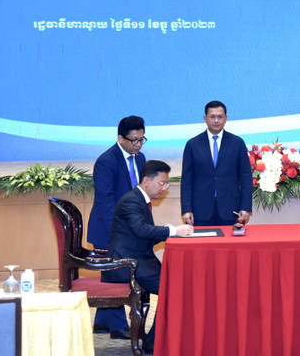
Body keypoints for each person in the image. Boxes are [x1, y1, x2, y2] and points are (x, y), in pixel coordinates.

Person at [104, 160, 193, 354]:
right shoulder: (131, 200)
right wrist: (172, 230)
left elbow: (143, 234)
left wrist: (168, 232)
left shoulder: (139, 199)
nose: (164, 188)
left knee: (177, 283)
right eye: (162, 183)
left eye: (166, 184)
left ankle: (157, 338)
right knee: (174, 288)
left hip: (139, 260)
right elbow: (140, 230)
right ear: (146, 181)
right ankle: (154, 342)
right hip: (125, 264)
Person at [86, 115, 146, 339]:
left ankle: (102, 322)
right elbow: (105, 201)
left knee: (116, 272)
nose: (138, 145)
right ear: (120, 138)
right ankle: (118, 327)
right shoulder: (106, 161)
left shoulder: (140, 159)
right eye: (134, 140)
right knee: (118, 276)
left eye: (142, 139)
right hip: (108, 229)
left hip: (129, 227)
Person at [181, 100, 253, 226]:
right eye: (212, 117)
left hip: (231, 210)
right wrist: (187, 209)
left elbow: (246, 177)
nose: (216, 120)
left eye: (220, 117)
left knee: (229, 246)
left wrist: (246, 207)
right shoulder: (192, 144)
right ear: (205, 118)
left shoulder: (237, 143)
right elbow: (187, 180)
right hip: (200, 210)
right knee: (202, 245)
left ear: (226, 118)